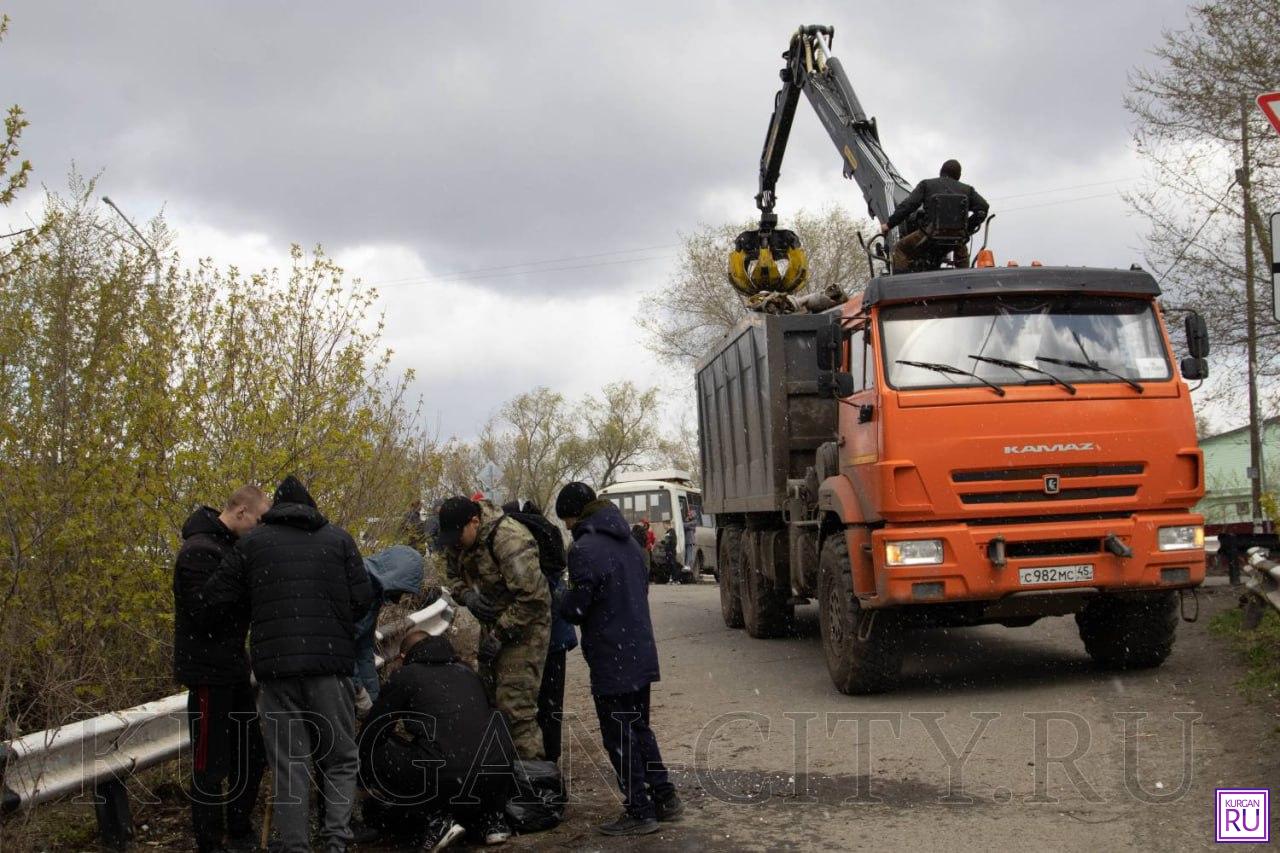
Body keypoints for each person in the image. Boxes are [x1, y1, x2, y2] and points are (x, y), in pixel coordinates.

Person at [200, 475, 373, 853]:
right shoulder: (339, 539)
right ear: (312, 507)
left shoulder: (253, 545)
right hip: (330, 667)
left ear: (273, 510)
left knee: (289, 763)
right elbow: (363, 598)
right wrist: (334, 625)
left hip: (276, 673)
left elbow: (214, 598)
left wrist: (262, 608)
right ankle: (336, 841)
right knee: (341, 758)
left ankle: (296, 846)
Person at [555, 482, 681, 837]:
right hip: (638, 649)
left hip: (611, 655)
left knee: (618, 735)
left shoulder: (583, 549)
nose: (566, 526)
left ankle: (639, 811)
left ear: (576, 514)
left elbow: (578, 608)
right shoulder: (631, 542)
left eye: (566, 519)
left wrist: (560, 598)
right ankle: (665, 798)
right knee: (640, 727)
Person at [173, 485, 271, 853]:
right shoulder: (197, 551)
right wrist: (240, 570)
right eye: (260, 520)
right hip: (207, 674)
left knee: (251, 754)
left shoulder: (229, 548)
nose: (261, 529)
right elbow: (203, 613)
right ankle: (210, 843)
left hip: (233, 669)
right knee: (210, 764)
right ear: (242, 512)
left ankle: (239, 829)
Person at [359, 630, 516, 850]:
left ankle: (435, 820)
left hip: (449, 776)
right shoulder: (468, 672)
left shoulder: (407, 676)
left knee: (379, 749)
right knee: (489, 729)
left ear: (403, 656)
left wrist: (361, 775)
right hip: (495, 773)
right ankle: (492, 819)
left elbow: (374, 730)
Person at [437, 496, 550, 761]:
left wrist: (500, 634)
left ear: (474, 522)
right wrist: (468, 596)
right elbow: (452, 577)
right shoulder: (458, 542)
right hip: (492, 628)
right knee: (489, 703)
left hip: (525, 631)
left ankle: (535, 785)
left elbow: (534, 598)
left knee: (515, 709)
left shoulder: (509, 539)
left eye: (458, 535)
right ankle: (505, 778)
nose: (454, 543)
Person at [515, 499, 579, 764]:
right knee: (552, 705)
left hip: (538, 637)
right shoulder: (547, 532)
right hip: (557, 636)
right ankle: (552, 762)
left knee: (528, 706)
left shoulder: (521, 537)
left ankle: (538, 767)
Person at [880, 159, 989, 272]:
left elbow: (908, 206)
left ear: (941, 172)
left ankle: (901, 285)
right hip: (958, 237)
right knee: (962, 255)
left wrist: (889, 224)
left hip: (929, 234)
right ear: (959, 176)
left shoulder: (926, 185)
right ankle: (965, 280)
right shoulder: (967, 190)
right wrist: (967, 228)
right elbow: (983, 208)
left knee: (900, 249)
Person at [353, 545, 425, 705]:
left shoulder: (374, 595)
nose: (398, 600)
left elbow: (363, 650)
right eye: (399, 591)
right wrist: (357, 689)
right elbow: (340, 646)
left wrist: (373, 699)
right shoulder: (352, 586)